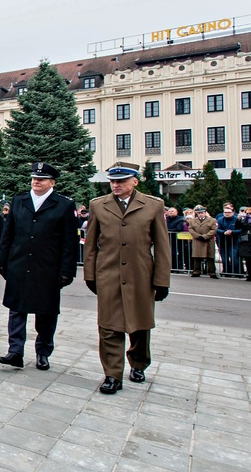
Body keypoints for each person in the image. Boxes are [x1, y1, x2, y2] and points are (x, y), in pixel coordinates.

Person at [82, 162, 170, 394]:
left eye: (121, 180)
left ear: (135, 181)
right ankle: (112, 374)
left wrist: (162, 280)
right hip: (108, 273)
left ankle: (139, 362)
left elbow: (162, 246)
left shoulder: (153, 205)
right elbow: (90, 245)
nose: (116, 185)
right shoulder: (99, 206)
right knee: (108, 326)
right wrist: (90, 275)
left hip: (141, 275)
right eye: (113, 181)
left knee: (139, 325)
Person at [0, 162, 77, 371]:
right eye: (34, 178)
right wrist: (2, 261)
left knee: (46, 313)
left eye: (41, 179)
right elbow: (8, 235)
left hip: (47, 268)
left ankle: (43, 352)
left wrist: (67, 271)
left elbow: (69, 243)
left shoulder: (64, 205)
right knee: (16, 310)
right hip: (19, 264)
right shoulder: (19, 201)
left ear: (52, 182)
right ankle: (15, 351)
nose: (36, 182)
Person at [188, 205, 218, 278]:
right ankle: (196, 271)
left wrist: (205, 236)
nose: (200, 214)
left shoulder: (212, 220)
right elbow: (191, 229)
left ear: (205, 213)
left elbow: (214, 230)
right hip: (197, 240)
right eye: (199, 213)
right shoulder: (192, 221)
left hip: (208, 240)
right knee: (196, 256)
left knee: (210, 256)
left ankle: (212, 272)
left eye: (202, 213)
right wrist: (198, 236)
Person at [216, 203, 242, 275]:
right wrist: (224, 232)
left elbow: (241, 229)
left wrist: (232, 232)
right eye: (225, 212)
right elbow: (217, 229)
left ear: (233, 212)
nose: (227, 214)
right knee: (224, 258)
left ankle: (237, 272)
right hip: (222, 241)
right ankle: (226, 272)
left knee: (234, 257)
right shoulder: (220, 219)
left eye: (229, 212)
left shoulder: (237, 219)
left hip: (234, 241)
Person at [236, 207, 251, 280]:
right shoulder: (244, 220)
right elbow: (238, 227)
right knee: (247, 259)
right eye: (248, 213)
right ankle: (249, 274)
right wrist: (239, 219)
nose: (249, 215)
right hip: (246, 240)